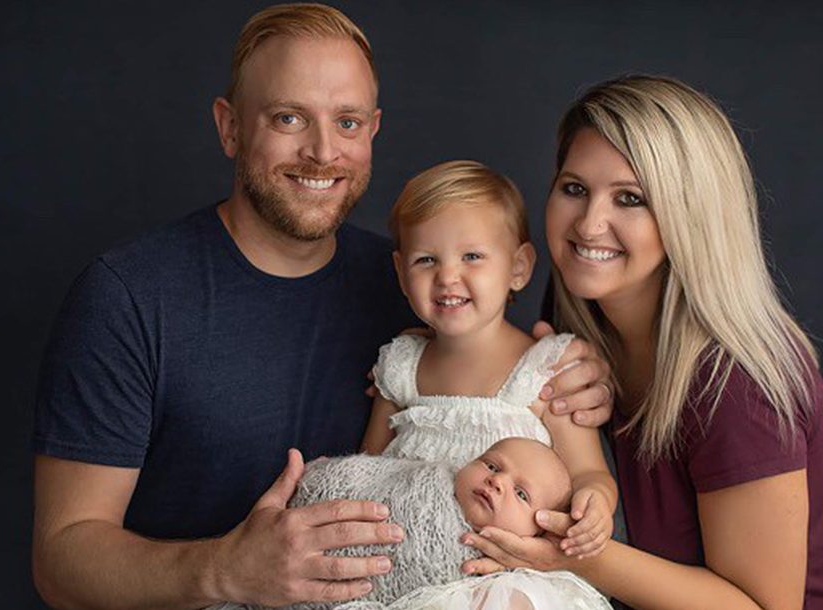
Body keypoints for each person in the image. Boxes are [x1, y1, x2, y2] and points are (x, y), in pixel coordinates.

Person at [31, 5, 613, 610]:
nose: (322, 151)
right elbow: (62, 560)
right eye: (288, 118)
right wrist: (222, 569)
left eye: (349, 123)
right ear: (230, 127)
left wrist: (572, 376)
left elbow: (501, 370)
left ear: (374, 130)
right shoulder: (129, 296)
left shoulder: (420, 286)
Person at [460, 76, 823, 610]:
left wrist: (575, 554)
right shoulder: (580, 316)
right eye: (574, 188)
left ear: (689, 217)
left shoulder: (736, 382)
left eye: (631, 199)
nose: (589, 223)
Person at [362, 160, 617, 558]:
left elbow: (588, 472)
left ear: (518, 267)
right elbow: (370, 471)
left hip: (505, 571)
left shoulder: (546, 370)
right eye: (426, 260)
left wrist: (595, 503)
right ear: (400, 272)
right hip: (408, 570)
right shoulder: (400, 368)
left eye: (472, 257)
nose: (447, 276)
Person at [219, 438, 608, 610]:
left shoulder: (498, 574)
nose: (497, 481)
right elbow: (375, 471)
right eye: (491, 465)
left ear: (536, 536)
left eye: (521, 494)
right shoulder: (434, 475)